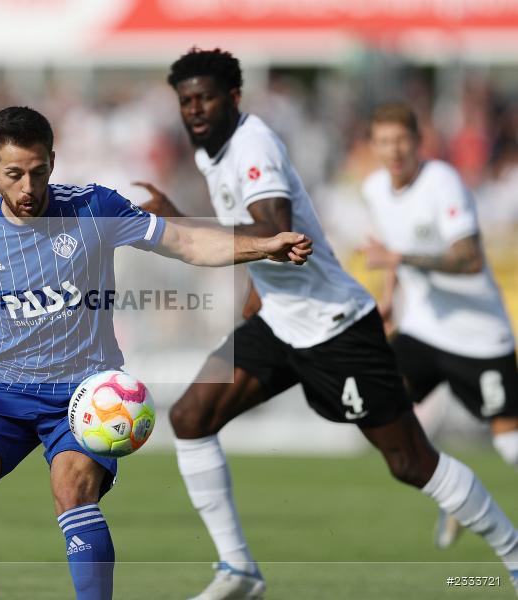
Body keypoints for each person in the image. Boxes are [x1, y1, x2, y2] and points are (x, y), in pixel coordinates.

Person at [134, 48, 518, 600]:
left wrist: (189, 228)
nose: (194, 109)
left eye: (205, 98)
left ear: (234, 99)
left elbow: (275, 230)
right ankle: (239, 571)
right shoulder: (210, 151)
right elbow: (258, 248)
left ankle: (511, 552)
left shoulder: (252, 145)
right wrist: (253, 294)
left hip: (335, 328)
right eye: (185, 100)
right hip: (279, 323)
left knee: (411, 463)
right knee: (192, 417)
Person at [0, 106, 312, 600]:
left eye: (39, 172)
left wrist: (263, 245)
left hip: (88, 394)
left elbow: (186, 242)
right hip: (6, 387)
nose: (28, 187)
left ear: (53, 162)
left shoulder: (94, 209)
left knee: (72, 492)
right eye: (14, 174)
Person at [361, 101, 518, 549]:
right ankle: (456, 493)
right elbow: (391, 246)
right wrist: (390, 298)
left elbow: (469, 260)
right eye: (384, 142)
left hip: (480, 337)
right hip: (425, 330)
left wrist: (399, 260)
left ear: (418, 141)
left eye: (402, 141)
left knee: (511, 448)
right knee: (380, 407)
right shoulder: (374, 189)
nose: (394, 151)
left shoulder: (442, 182)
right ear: (372, 145)